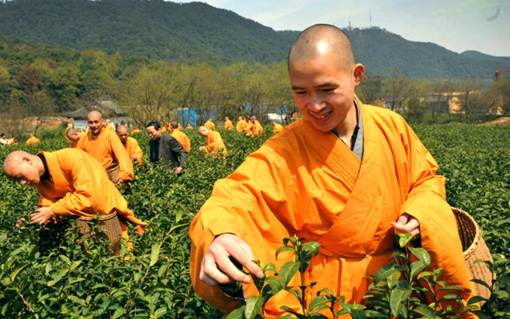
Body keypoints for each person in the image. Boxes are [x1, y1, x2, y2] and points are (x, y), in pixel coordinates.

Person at [189, 24, 475, 317]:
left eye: (327, 89)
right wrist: (219, 235)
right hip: (327, 301)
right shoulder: (283, 149)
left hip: (400, 291)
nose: (314, 105)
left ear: (356, 75)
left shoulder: (392, 127)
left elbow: (426, 180)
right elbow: (233, 198)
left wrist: (420, 213)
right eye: (300, 92)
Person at [3, 150, 147, 250]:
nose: (22, 183)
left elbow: (90, 195)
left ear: (27, 160)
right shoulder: (41, 183)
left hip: (108, 221)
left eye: (19, 176)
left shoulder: (72, 158)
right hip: (81, 232)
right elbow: (47, 209)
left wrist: (52, 210)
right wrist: (32, 220)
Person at [76, 111, 133, 185]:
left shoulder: (110, 135)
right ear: (88, 123)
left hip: (108, 175)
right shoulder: (84, 138)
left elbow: (122, 155)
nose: (94, 125)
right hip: (91, 177)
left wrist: (124, 174)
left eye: (96, 122)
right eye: (91, 122)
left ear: (102, 122)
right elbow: (77, 157)